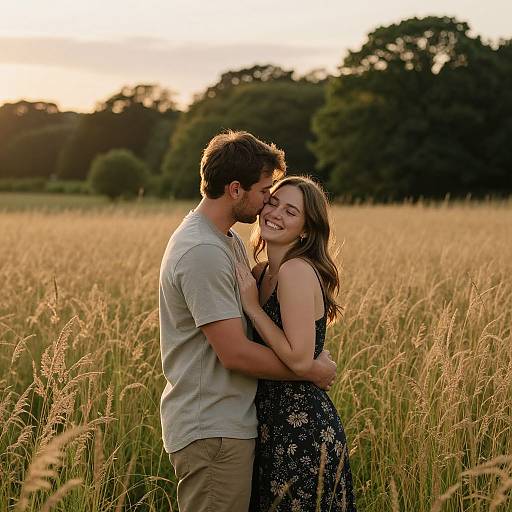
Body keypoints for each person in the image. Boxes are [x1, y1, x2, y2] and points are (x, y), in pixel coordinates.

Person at [159, 131, 337, 512]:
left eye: (283, 205)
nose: (266, 206)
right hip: (213, 426)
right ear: (236, 189)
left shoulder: (227, 242)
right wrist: (309, 371)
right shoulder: (204, 250)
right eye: (264, 193)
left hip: (241, 424)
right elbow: (236, 354)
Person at [235, 175, 356, 511]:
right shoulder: (261, 273)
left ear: (305, 229)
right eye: (273, 202)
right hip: (268, 426)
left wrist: (252, 307)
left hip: (302, 431)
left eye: (291, 211)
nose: (275, 213)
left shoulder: (296, 271)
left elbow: (301, 361)